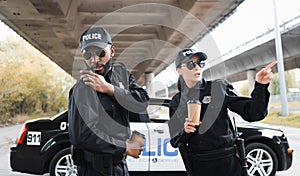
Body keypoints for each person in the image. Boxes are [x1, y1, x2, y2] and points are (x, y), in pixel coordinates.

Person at [168, 48, 276, 176]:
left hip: (228, 162)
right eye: (191, 64)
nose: (197, 67)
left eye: (200, 63)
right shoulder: (176, 101)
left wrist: (261, 86)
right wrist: (185, 131)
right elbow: (175, 140)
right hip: (199, 165)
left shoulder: (218, 88)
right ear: (179, 70)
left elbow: (253, 113)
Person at [68, 26, 149, 176]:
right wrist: (124, 147)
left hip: (120, 167)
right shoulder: (82, 89)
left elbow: (142, 101)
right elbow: (82, 137)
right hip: (94, 170)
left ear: (112, 51)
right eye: (88, 55)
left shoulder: (122, 75)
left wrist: (110, 89)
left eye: (100, 53)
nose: (95, 60)